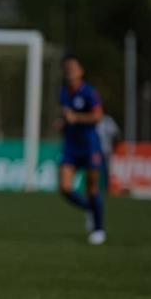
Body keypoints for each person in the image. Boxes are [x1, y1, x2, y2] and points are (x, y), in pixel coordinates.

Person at [57, 54, 106, 245]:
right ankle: (89, 208)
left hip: (89, 145)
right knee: (64, 187)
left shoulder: (89, 93)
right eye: (67, 68)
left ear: (80, 71)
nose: (69, 71)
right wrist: (62, 123)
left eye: (73, 67)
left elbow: (97, 117)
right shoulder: (63, 93)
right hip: (71, 146)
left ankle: (99, 229)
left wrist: (76, 118)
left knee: (92, 187)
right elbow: (68, 118)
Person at [96, 113, 120, 191]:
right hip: (95, 151)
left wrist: (114, 145)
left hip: (106, 150)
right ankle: (96, 187)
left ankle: (106, 188)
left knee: (106, 169)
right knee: (95, 169)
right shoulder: (93, 119)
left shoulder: (108, 120)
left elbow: (116, 133)